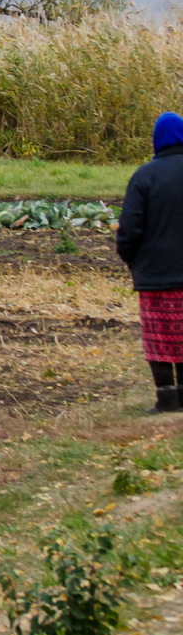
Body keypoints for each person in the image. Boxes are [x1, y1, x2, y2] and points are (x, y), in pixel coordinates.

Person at [118, 111, 183, 413]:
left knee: (161, 336)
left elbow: (130, 228)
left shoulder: (145, 176)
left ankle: (167, 398)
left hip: (156, 275)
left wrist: (131, 259)